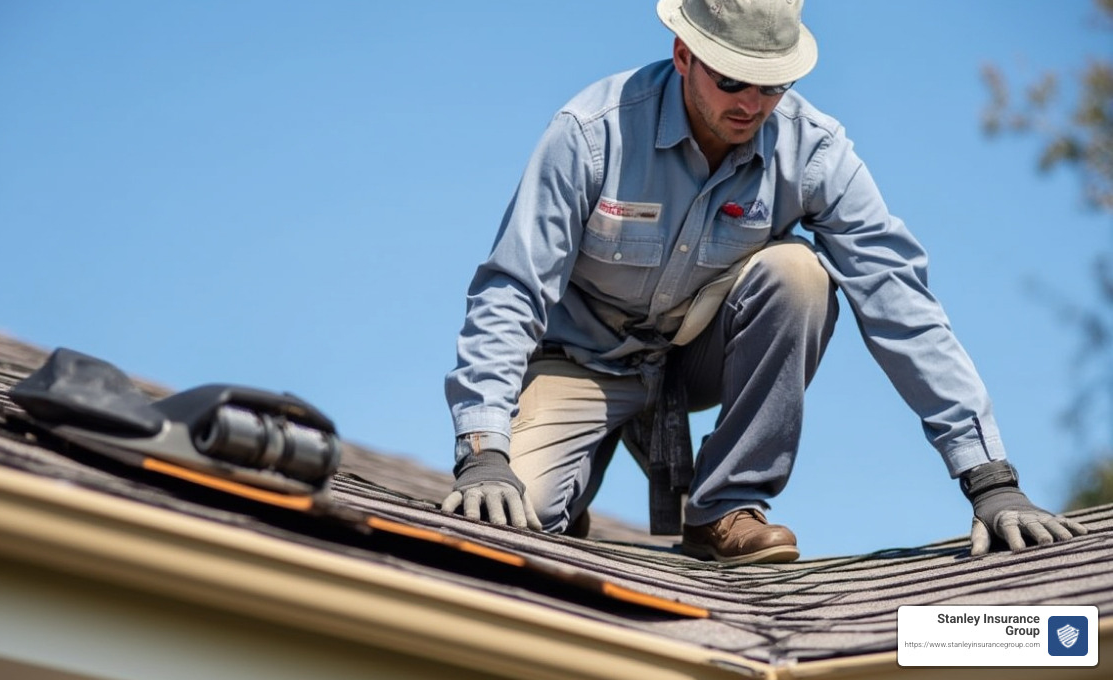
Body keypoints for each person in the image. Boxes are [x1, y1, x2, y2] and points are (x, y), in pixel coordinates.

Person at [440, 0, 1089, 564]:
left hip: (695, 357)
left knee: (800, 273)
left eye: (774, 85)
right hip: (581, 360)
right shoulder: (590, 133)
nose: (753, 104)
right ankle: (567, 490)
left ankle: (724, 508)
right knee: (508, 524)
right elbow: (512, 287)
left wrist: (988, 476)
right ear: (683, 54)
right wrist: (483, 450)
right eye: (733, 82)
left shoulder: (813, 151)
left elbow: (902, 305)